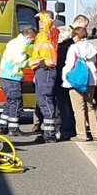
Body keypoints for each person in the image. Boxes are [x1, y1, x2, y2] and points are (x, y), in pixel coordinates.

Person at [62, 26, 97, 142]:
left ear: (76, 36)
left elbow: (69, 65)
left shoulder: (73, 48)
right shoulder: (93, 48)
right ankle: (96, 133)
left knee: (79, 109)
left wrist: (65, 78)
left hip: (77, 81)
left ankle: (82, 134)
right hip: (91, 80)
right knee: (90, 107)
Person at [0, 25, 36, 136]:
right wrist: (31, 60)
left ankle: (2, 126)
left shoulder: (14, 42)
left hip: (5, 76)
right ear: (28, 34)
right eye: (32, 38)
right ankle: (13, 128)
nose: (32, 41)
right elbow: (21, 62)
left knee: (10, 102)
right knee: (16, 101)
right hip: (12, 77)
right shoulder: (20, 45)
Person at [55, 14, 87, 140]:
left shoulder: (68, 42)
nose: (85, 30)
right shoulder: (69, 42)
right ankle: (67, 128)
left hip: (66, 77)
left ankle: (66, 128)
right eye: (83, 27)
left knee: (65, 104)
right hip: (67, 77)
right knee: (65, 104)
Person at [29, 10, 60, 143]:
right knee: (42, 101)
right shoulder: (41, 35)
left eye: (42, 20)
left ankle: (50, 133)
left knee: (45, 100)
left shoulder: (51, 31)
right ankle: (47, 131)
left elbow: (49, 25)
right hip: (40, 69)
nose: (40, 23)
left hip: (46, 68)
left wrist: (45, 18)